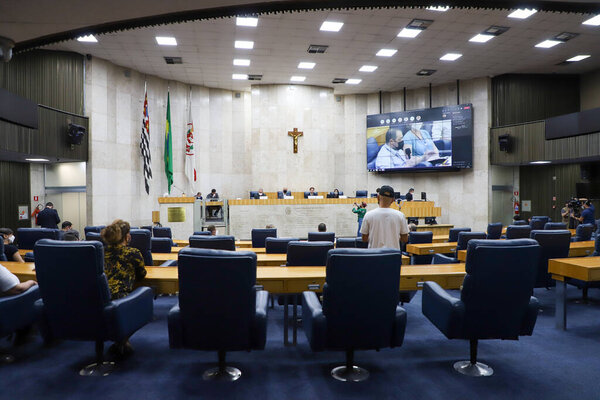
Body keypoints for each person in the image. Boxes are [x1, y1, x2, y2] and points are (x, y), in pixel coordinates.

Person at [360, 185, 409, 249]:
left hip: (373, 256)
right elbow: (405, 239)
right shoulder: (400, 215)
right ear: (393, 200)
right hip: (393, 256)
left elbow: (364, 239)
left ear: (378, 197)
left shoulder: (368, 215)